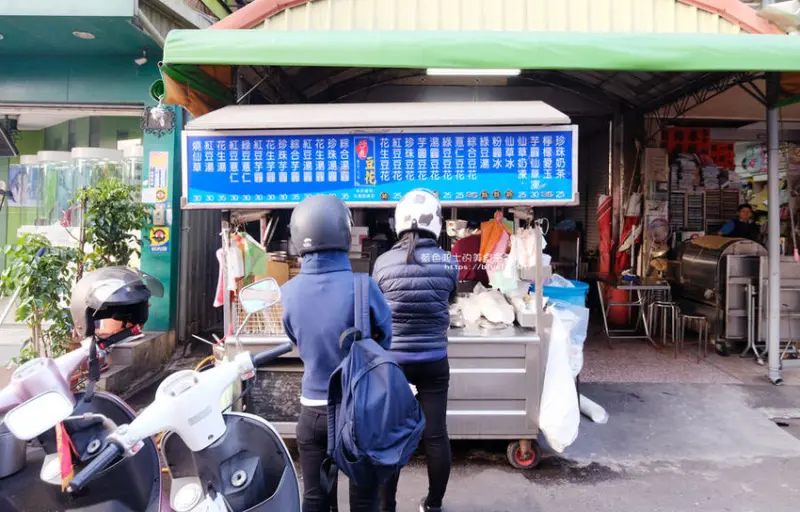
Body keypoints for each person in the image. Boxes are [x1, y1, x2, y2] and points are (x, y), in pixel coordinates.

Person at [280, 194, 393, 512]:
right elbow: (387, 338)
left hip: (312, 413)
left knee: (316, 498)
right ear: (345, 234)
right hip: (358, 411)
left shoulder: (287, 293)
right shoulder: (364, 285)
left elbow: (294, 340)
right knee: (363, 496)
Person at [373, 189, 458, 512]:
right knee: (436, 435)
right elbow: (449, 302)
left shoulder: (382, 263)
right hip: (434, 361)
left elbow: (377, 311)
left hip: (394, 365)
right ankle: (433, 505)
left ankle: (387, 506)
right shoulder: (447, 261)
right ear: (435, 223)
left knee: (392, 436)